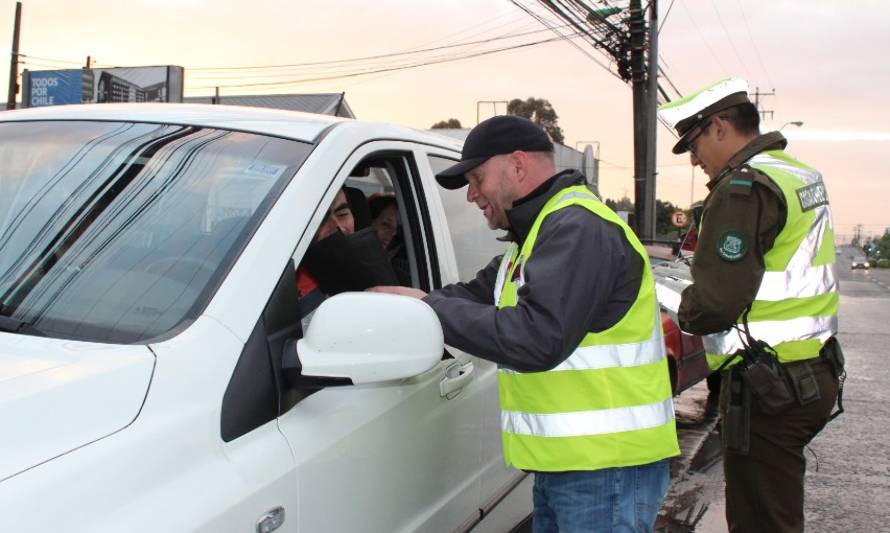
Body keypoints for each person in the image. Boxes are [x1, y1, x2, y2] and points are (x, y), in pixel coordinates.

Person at [372, 115, 679, 532]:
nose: (471, 195)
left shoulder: (578, 228)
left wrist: (432, 307)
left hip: (605, 469)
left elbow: (537, 339)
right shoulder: (537, 237)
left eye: (477, 178)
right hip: (573, 466)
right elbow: (474, 295)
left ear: (517, 165)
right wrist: (410, 305)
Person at [658, 78, 844, 532]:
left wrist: (672, 297)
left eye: (695, 143)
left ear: (720, 127)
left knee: (762, 521)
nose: (695, 159)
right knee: (776, 510)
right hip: (811, 372)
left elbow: (713, 306)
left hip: (770, 386)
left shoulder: (743, 188)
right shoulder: (798, 174)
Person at [368, 193, 410, 285]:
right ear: (368, 222)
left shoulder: (399, 274)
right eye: (386, 224)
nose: (393, 233)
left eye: (398, 228)